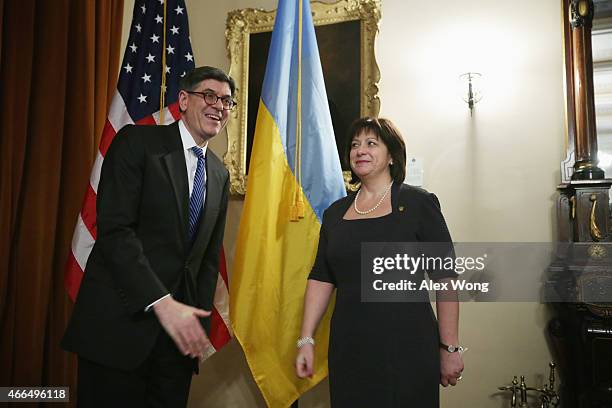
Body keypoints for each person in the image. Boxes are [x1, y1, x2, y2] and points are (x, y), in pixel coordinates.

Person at [62, 66, 235, 407]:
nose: (219, 106)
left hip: (175, 350)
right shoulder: (136, 142)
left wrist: (196, 328)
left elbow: (205, 260)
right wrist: (162, 302)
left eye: (228, 101)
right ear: (183, 100)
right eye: (209, 96)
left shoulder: (218, 173)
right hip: (118, 332)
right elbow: (116, 233)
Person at [295, 117, 464, 407]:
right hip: (350, 348)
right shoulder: (336, 213)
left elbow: (445, 278)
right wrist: (306, 340)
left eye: (371, 143)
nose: (360, 150)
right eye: (355, 145)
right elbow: (321, 276)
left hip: (409, 348)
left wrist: (449, 347)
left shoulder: (419, 204)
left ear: (391, 156)